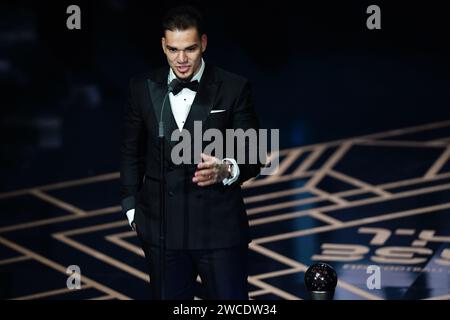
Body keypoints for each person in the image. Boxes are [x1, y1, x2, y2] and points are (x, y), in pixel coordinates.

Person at [120, 5, 263, 300]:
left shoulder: (234, 87)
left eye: (190, 49)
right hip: (161, 232)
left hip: (218, 231)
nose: (181, 59)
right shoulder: (141, 88)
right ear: (163, 45)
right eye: (173, 49)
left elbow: (254, 153)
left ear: (204, 44)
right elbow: (130, 151)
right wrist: (132, 208)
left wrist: (226, 168)